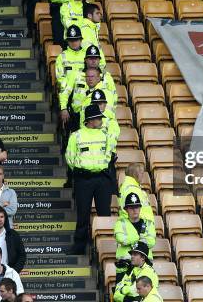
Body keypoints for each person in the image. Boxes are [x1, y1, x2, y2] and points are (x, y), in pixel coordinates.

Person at [66, 104, 113, 254]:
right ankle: (79, 247)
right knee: (83, 214)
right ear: (91, 120)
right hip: (83, 179)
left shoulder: (105, 134)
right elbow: (69, 157)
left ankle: (106, 246)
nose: (101, 121)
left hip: (102, 178)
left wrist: (101, 167)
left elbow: (109, 153)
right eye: (99, 118)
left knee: (104, 213)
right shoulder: (76, 136)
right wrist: (82, 170)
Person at [114, 192, 155, 282]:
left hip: (144, 267)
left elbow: (151, 242)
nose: (134, 210)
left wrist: (130, 240)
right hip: (124, 267)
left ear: (140, 208)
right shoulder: (120, 223)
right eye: (131, 208)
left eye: (137, 207)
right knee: (122, 293)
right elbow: (121, 239)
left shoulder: (148, 223)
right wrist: (140, 240)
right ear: (126, 209)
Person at [0, 208, 26, 273]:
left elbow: (22, 255)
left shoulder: (13, 234)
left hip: (9, 273)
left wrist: (14, 271)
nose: (0, 220)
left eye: (2, 217)